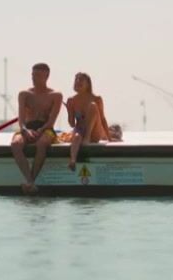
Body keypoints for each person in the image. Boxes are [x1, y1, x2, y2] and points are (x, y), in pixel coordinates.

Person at [10, 62, 63, 194]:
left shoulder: (56, 95)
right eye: (33, 75)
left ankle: (30, 181)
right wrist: (25, 130)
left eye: (38, 75)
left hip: (46, 129)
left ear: (47, 76)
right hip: (27, 127)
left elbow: (51, 121)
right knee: (15, 144)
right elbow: (21, 119)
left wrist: (41, 130)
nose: (34, 78)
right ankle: (30, 181)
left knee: (42, 143)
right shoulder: (24, 94)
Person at [64, 72, 120, 170]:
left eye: (81, 80)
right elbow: (72, 124)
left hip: (93, 133)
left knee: (93, 106)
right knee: (76, 137)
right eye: (76, 79)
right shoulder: (71, 100)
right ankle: (72, 160)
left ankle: (87, 138)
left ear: (88, 84)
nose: (77, 81)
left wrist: (109, 138)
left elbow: (102, 119)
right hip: (80, 130)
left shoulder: (96, 98)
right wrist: (69, 110)